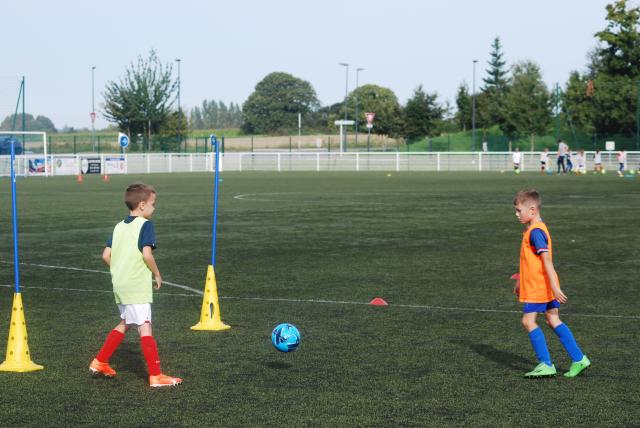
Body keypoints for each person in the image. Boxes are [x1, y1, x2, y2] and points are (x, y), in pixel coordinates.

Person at [90, 183, 182, 387]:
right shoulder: (145, 225)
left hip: (120, 284)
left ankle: (100, 362)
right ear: (142, 205)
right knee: (145, 327)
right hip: (136, 286)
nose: (154, 208)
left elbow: (106, 255)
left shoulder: (118, 226)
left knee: (126, 322)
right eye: (152, 204)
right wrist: (157, 273)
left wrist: (121, 269)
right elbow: (147, 254)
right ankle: (156, 376)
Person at [512, 189, 590, 378]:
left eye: (518, 210)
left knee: (528, 321)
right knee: (552, 319)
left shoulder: (536, 232)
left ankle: (546, 364)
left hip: (539, 286)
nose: (516, 214)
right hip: (542, 284)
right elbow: (533, 262)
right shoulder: (535, 229)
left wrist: (555, 287)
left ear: (532, 210)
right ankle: (579, 359)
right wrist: (520, 280)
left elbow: (547, 261)